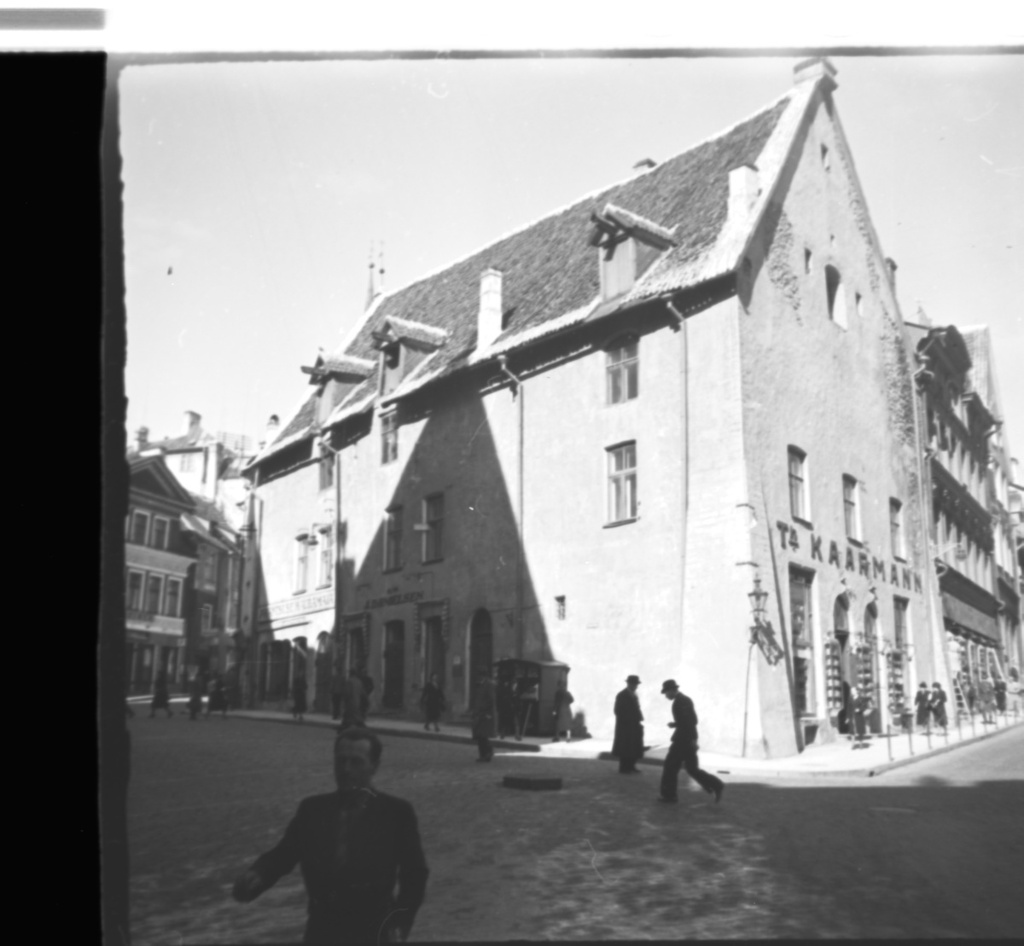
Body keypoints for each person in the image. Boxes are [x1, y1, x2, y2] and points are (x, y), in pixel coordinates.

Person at [232, 727, 429, 944]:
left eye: (356, 762)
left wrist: (399, 922)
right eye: (341, 761)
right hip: (322, 928)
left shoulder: (395, 812)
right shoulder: (313, 810)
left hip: (375, 929)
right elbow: (284, 855)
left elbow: (415, 875)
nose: (346, 769)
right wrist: (258, 875)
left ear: (374, 766)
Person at [658, 680, 724, 804]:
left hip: (682, 741)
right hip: (688, 739)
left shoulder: (679, 702)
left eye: (666, 692)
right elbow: (692, 720)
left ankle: (669, 796)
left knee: (670, 767)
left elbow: (689, 722)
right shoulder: (685, 700)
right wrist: (692, 738)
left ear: (672, 690)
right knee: (692, 769)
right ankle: (716, 785)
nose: (666, 695)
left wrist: (689, 737)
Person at [612, 675, 645, 774]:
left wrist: (639, 718)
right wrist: (628, 719)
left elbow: (636, 708)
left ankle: (631, 766)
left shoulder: (634, 695)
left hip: (634, 725)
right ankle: (624, 767)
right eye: (633, 684)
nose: (635, 686)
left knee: (634, 746)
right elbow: (618, 710)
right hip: (625, 726)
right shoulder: (622, 695)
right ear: (629, 684)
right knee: (625, 747)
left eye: (636, 684)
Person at [471, 670, 496, 762]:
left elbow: (491, 699)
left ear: (484, 676)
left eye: (480, 675)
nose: (478, 677)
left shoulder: (489, 685)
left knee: (482, 735)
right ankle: (485, 753)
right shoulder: (479, 684)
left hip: (485, 714)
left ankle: (486, 753)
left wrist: (485, 711)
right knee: (479, 735)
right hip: (479, 713)